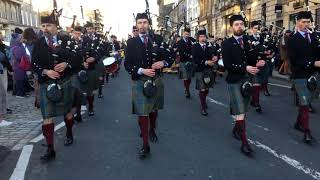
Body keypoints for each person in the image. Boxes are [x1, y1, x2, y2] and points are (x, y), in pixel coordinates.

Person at [32, 12, 80, 161]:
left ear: (56, 27)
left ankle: (69, 132)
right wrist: (46, 71)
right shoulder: (38, 43)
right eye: (43, 25)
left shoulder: (67, 40)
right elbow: (34, 63)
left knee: (67, 113)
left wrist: (66, 64)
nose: (45, 28)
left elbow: (78, 57)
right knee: (47, 116)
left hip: (64, 82)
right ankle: (50, 148)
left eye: (49, 25)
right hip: (47, 84)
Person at [124, 13, 171, 159]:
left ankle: (152, 129)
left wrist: (163, 63)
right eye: (140, 23)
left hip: (156, 79)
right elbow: (127, 64)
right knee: (142, 112)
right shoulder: (131, 43)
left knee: (154, 110)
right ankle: (145, 144)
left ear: (148, 24)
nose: (142, 25)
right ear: (136, 25)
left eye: (145, 22)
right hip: (140, 80)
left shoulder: (157, 39)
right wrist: (141, 70)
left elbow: (169, 56)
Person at [222, 15, 261, 155]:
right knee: (240, 111)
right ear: (232, 26)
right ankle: (245, 143)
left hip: (247, 80)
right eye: (236, 24)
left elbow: (251, 58)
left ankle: (235, 130)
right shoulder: (226, 43)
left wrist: (258, 61)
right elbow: (227, 65)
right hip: (234, 80)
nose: (239, 26)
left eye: (241, 24)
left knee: (243, 110)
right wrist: (245, 68)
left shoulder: (249, 40)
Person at [287, 11, 320, 144]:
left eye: (308, 22)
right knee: (305, 103)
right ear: (297, 22)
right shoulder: (292, 39)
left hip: (313, 74)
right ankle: (306, 132)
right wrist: (312, 63)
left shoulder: (313, 36)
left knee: (306, 101)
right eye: (303, 22)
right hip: (299, 74)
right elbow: (294, 60)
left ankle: (298, 123)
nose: (306, 24)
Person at [192, 29, 218, 116]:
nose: (203, 38)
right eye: (201, 37)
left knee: (207, 88)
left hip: (208, 70)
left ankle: (203, 100)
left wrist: (215, 57)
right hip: (200, 69)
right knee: (202, 88)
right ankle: (203, 106)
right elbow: (195, 59)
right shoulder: (195, 47)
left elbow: (214, 53)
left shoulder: (209, 46)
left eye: (204, 37)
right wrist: (205, 62)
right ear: (198, 38)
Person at [177, 28, 194, 99]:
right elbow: (181, 52)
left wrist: (192, 55)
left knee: (189, 77)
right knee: (185, 77)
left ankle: (187, 87)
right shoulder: (180, 42)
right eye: (185, 34)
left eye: (188, 34)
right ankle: (187, 90)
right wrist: (189, 55)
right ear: (183, 34)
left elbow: (192, 49)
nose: (187, 35)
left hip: (190, 61)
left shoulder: (190, 41)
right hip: (183, 61)